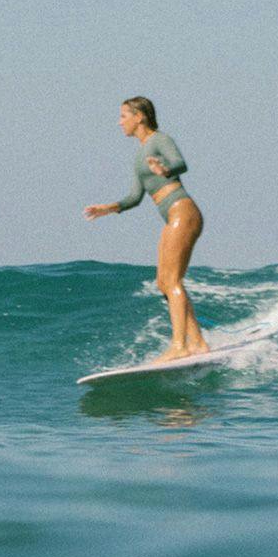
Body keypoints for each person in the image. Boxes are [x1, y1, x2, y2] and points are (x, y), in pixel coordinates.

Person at [84, 96, 208, 362]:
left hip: (183, 212)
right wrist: (109, 208)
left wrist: (164, 169)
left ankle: (180, 345)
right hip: (172, 216)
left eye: (123, 116)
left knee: (172, 280)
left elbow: (180, 163)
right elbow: (135, 197)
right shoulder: (140, 154)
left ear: (139, 116)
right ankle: (197, 342)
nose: (119, 123)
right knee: (163, 283)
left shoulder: (159, 140)